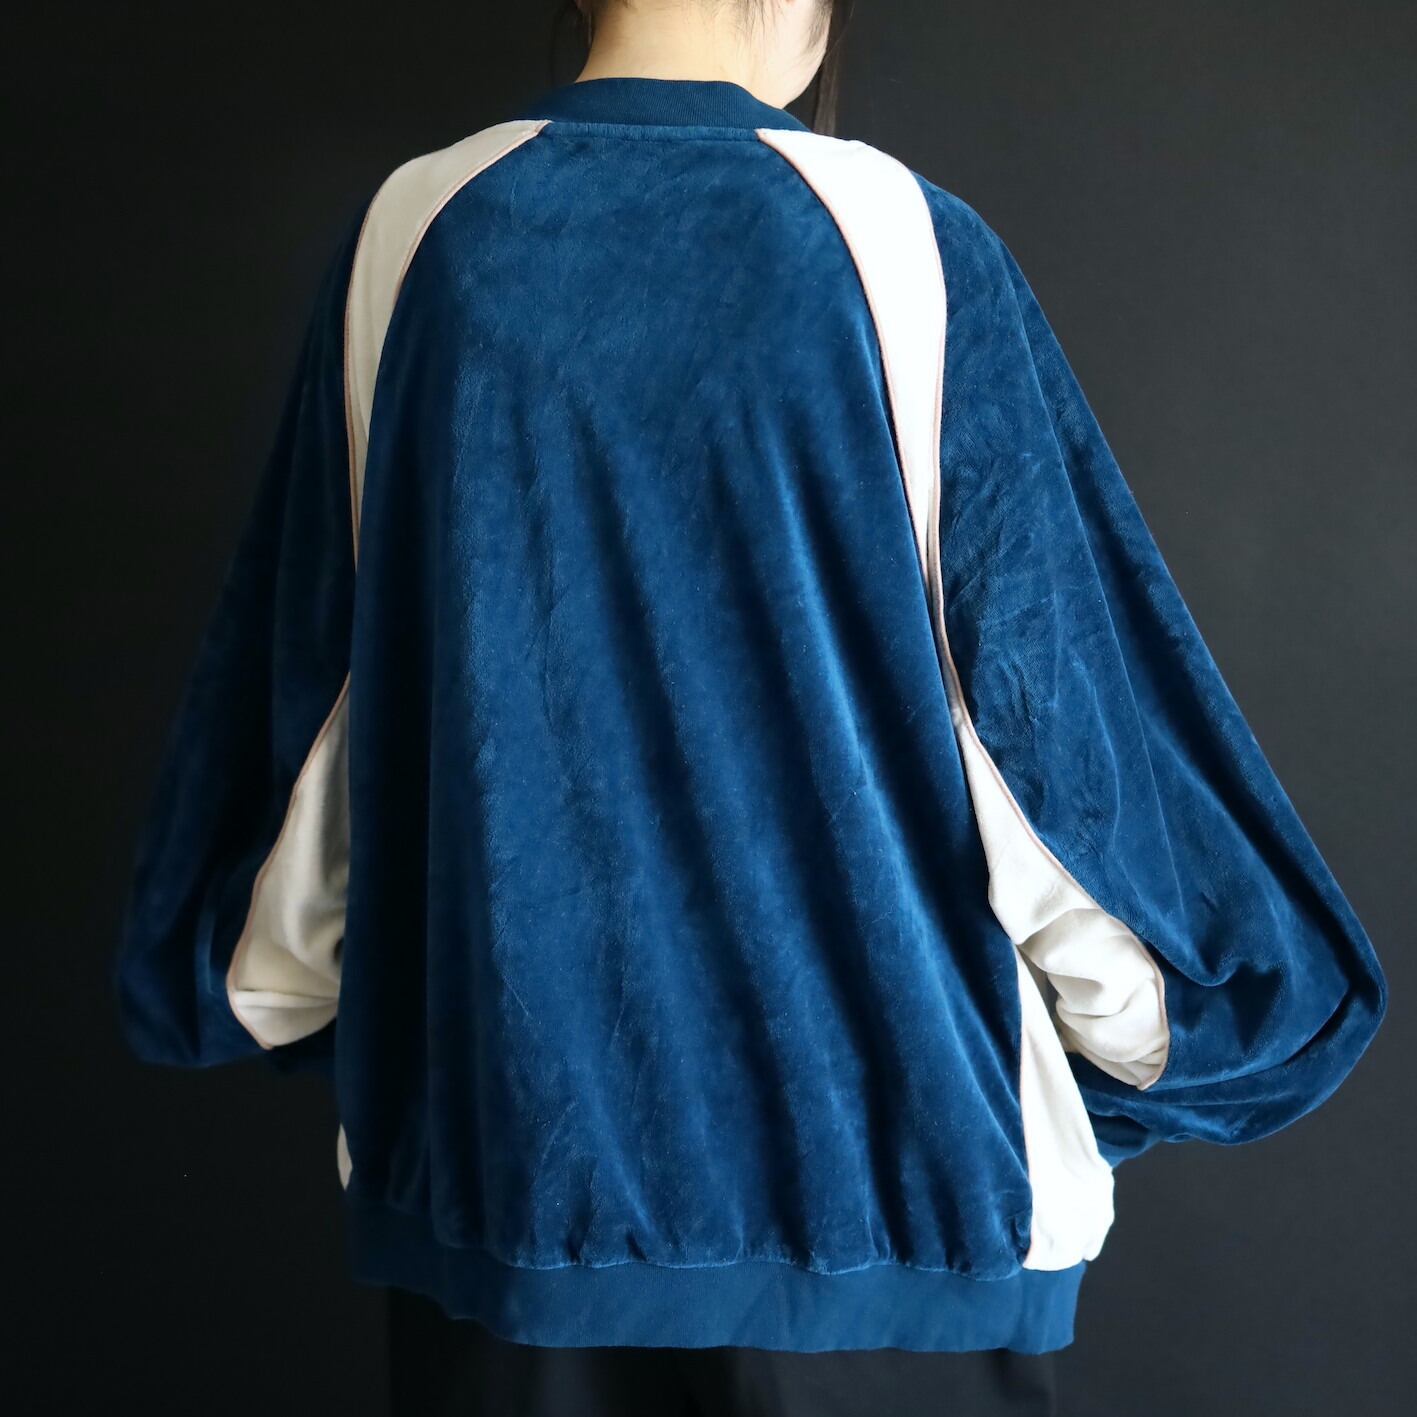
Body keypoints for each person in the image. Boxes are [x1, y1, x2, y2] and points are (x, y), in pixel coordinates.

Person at [108, 1, 1389, 1414]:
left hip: (508, 1205)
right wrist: (1188, 1036)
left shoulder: (413, 236)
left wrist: (285, 998)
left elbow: (316, 761)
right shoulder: (901, 243)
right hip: (896, 1228)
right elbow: (1048, 763)